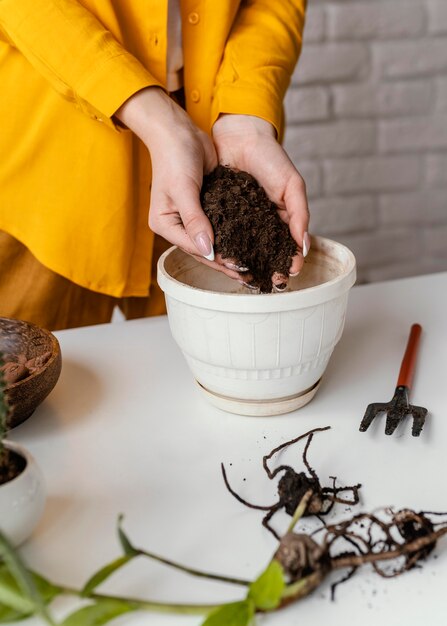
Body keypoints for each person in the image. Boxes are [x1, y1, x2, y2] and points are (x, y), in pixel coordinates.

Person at [0, 0, 309, 331]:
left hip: (208, 143)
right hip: (55, 136)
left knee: (206, 361)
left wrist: (246, 114)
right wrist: (156, 117)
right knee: (24, 366)